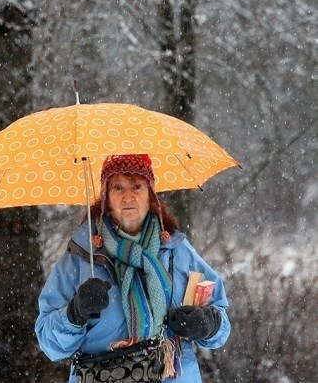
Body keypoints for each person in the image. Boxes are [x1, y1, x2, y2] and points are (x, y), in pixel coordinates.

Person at [35, 154, 230, 382]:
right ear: (106, 198)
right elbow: (49, 343)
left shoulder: (176, 250)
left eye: (137, 186)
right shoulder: (81, 255)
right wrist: (74, 313)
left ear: (151, 195)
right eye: (118, 187)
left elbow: (221, 323)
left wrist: (208, 323)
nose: (128, 196)